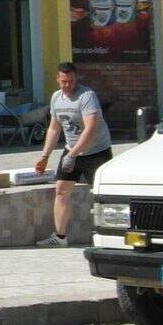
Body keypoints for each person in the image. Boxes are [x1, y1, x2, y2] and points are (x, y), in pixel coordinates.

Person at [33, 61, 113, 246]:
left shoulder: (87, 96)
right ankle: (60, 237)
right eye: (64, 81)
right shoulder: (56, 98)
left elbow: (91, 129)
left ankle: (110, 235)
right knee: (61, 190)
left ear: (76, 78)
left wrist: (72, 155)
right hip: (71, 150)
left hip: (96, 151)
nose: (68, 85)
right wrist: (44, 156)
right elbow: (54, 129)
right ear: (57, 79)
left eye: (71, 81)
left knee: (103, 194)